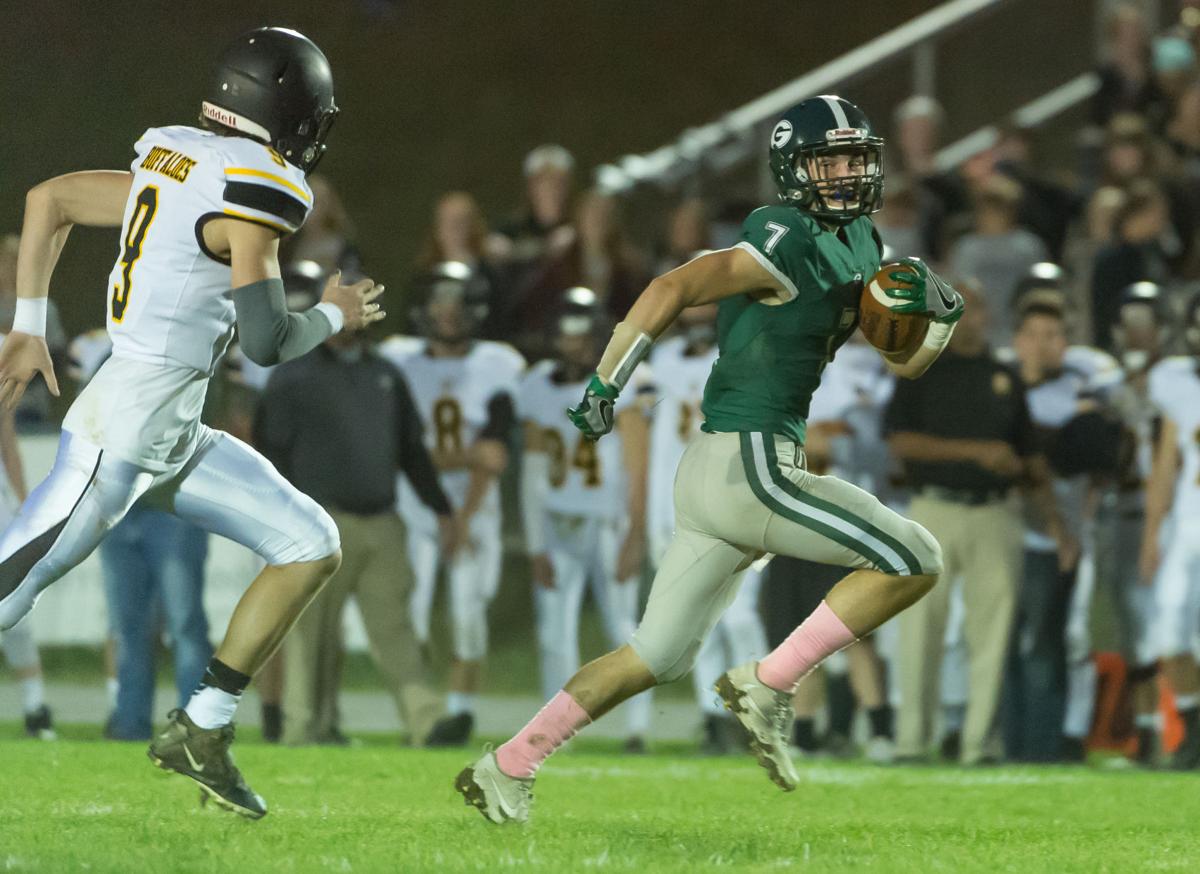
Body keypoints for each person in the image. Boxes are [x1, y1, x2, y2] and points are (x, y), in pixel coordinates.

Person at [455, 95, 957, 824]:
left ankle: (507, 764)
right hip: (749, 462)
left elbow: (902, 363)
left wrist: (929, 327)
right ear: (795, 170)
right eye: (831, 159)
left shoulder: (866, 246)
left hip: (722, 471)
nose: (848, 172)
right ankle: (771, 680)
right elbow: (673, 286)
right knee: (914, 557)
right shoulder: (781, 234)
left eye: (856, 156)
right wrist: (606, 381)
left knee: (652, 658)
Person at [0, 27, 381, 818]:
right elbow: (271, 341)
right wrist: (336, 316)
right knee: (9, 587)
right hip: (124, 434)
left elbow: (51, 199)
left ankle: (202, 728)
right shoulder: (258, 184)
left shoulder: (174, 156)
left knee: (310, 543)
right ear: (291, 112)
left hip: (169, 430)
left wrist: (30, 321)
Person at [256, 278, 457, 748]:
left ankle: (425, 721)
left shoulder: (384, 373)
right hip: (320, 523)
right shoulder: (293, 374)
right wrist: (280, 521)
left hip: (381, 522)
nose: (353, 317)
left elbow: (411, 451)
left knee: (396, 628)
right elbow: (270, 453)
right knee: (313, 636)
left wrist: (442, 509)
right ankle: (306, 727)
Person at [885, 284, 1066, 765]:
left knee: (992, 632)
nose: (966, 317)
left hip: (995, 512)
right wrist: (976, 452)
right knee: (920, 628)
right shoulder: (919, 370)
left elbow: (1030, 457)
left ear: (985, 315)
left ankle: (979, 742)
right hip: (933, 510)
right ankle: (912, 740)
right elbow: (900, 442)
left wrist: (1055, 522)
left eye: (973, 307)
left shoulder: (1004, 376)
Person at [377, 263, 524, 746]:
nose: (447, 312)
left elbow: (494, 455)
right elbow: (402, 450)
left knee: (468, 610)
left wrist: (460, 518)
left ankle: (461, 714)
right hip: (417, 504)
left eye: (457, 302)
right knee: (411, 611)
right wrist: (458, 463)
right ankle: (421, 713)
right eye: (439, 300)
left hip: (472, 505)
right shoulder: (398, 359)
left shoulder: (497, 362)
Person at [519, 287, 653, 753]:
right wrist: (535, 542)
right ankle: (558, 730)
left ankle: (637, 727)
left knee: (623, 626)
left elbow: (639, 463)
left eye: (580, 334)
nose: (570, 343)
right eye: (564, 333)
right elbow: (534, 467)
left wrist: (636, 530)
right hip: (559, 521)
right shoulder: (538, 381)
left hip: (608, 523)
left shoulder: (629, 379)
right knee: (554, 631)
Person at [647, 302, 766, 754]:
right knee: (698, 618)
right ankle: (714, 717)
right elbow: (660, 448)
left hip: (735, 503)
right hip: (682, 507)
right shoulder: (665, 362)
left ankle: (756, 709)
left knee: (740, 616)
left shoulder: (754, 357)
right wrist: (657, 518)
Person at [1139, 293, 1200, 770]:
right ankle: (1193, 727)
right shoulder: (1177, 382)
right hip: (1188, 525)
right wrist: (1151, 536)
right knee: (1171, 635)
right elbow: (1165, 465)